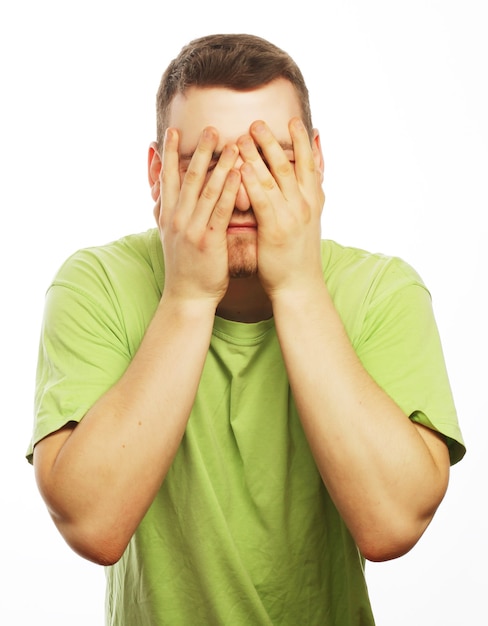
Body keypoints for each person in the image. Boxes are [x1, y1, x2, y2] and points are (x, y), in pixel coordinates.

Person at [27, 33, 465, 625]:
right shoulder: (96, 285)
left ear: (316, 165)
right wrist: (187, 297)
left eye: (271, 159)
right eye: (205, 162)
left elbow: (392, 526)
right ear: (158, 175)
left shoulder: (382, 291)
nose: (240, 194)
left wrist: (299, 288)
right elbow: (93, 524)